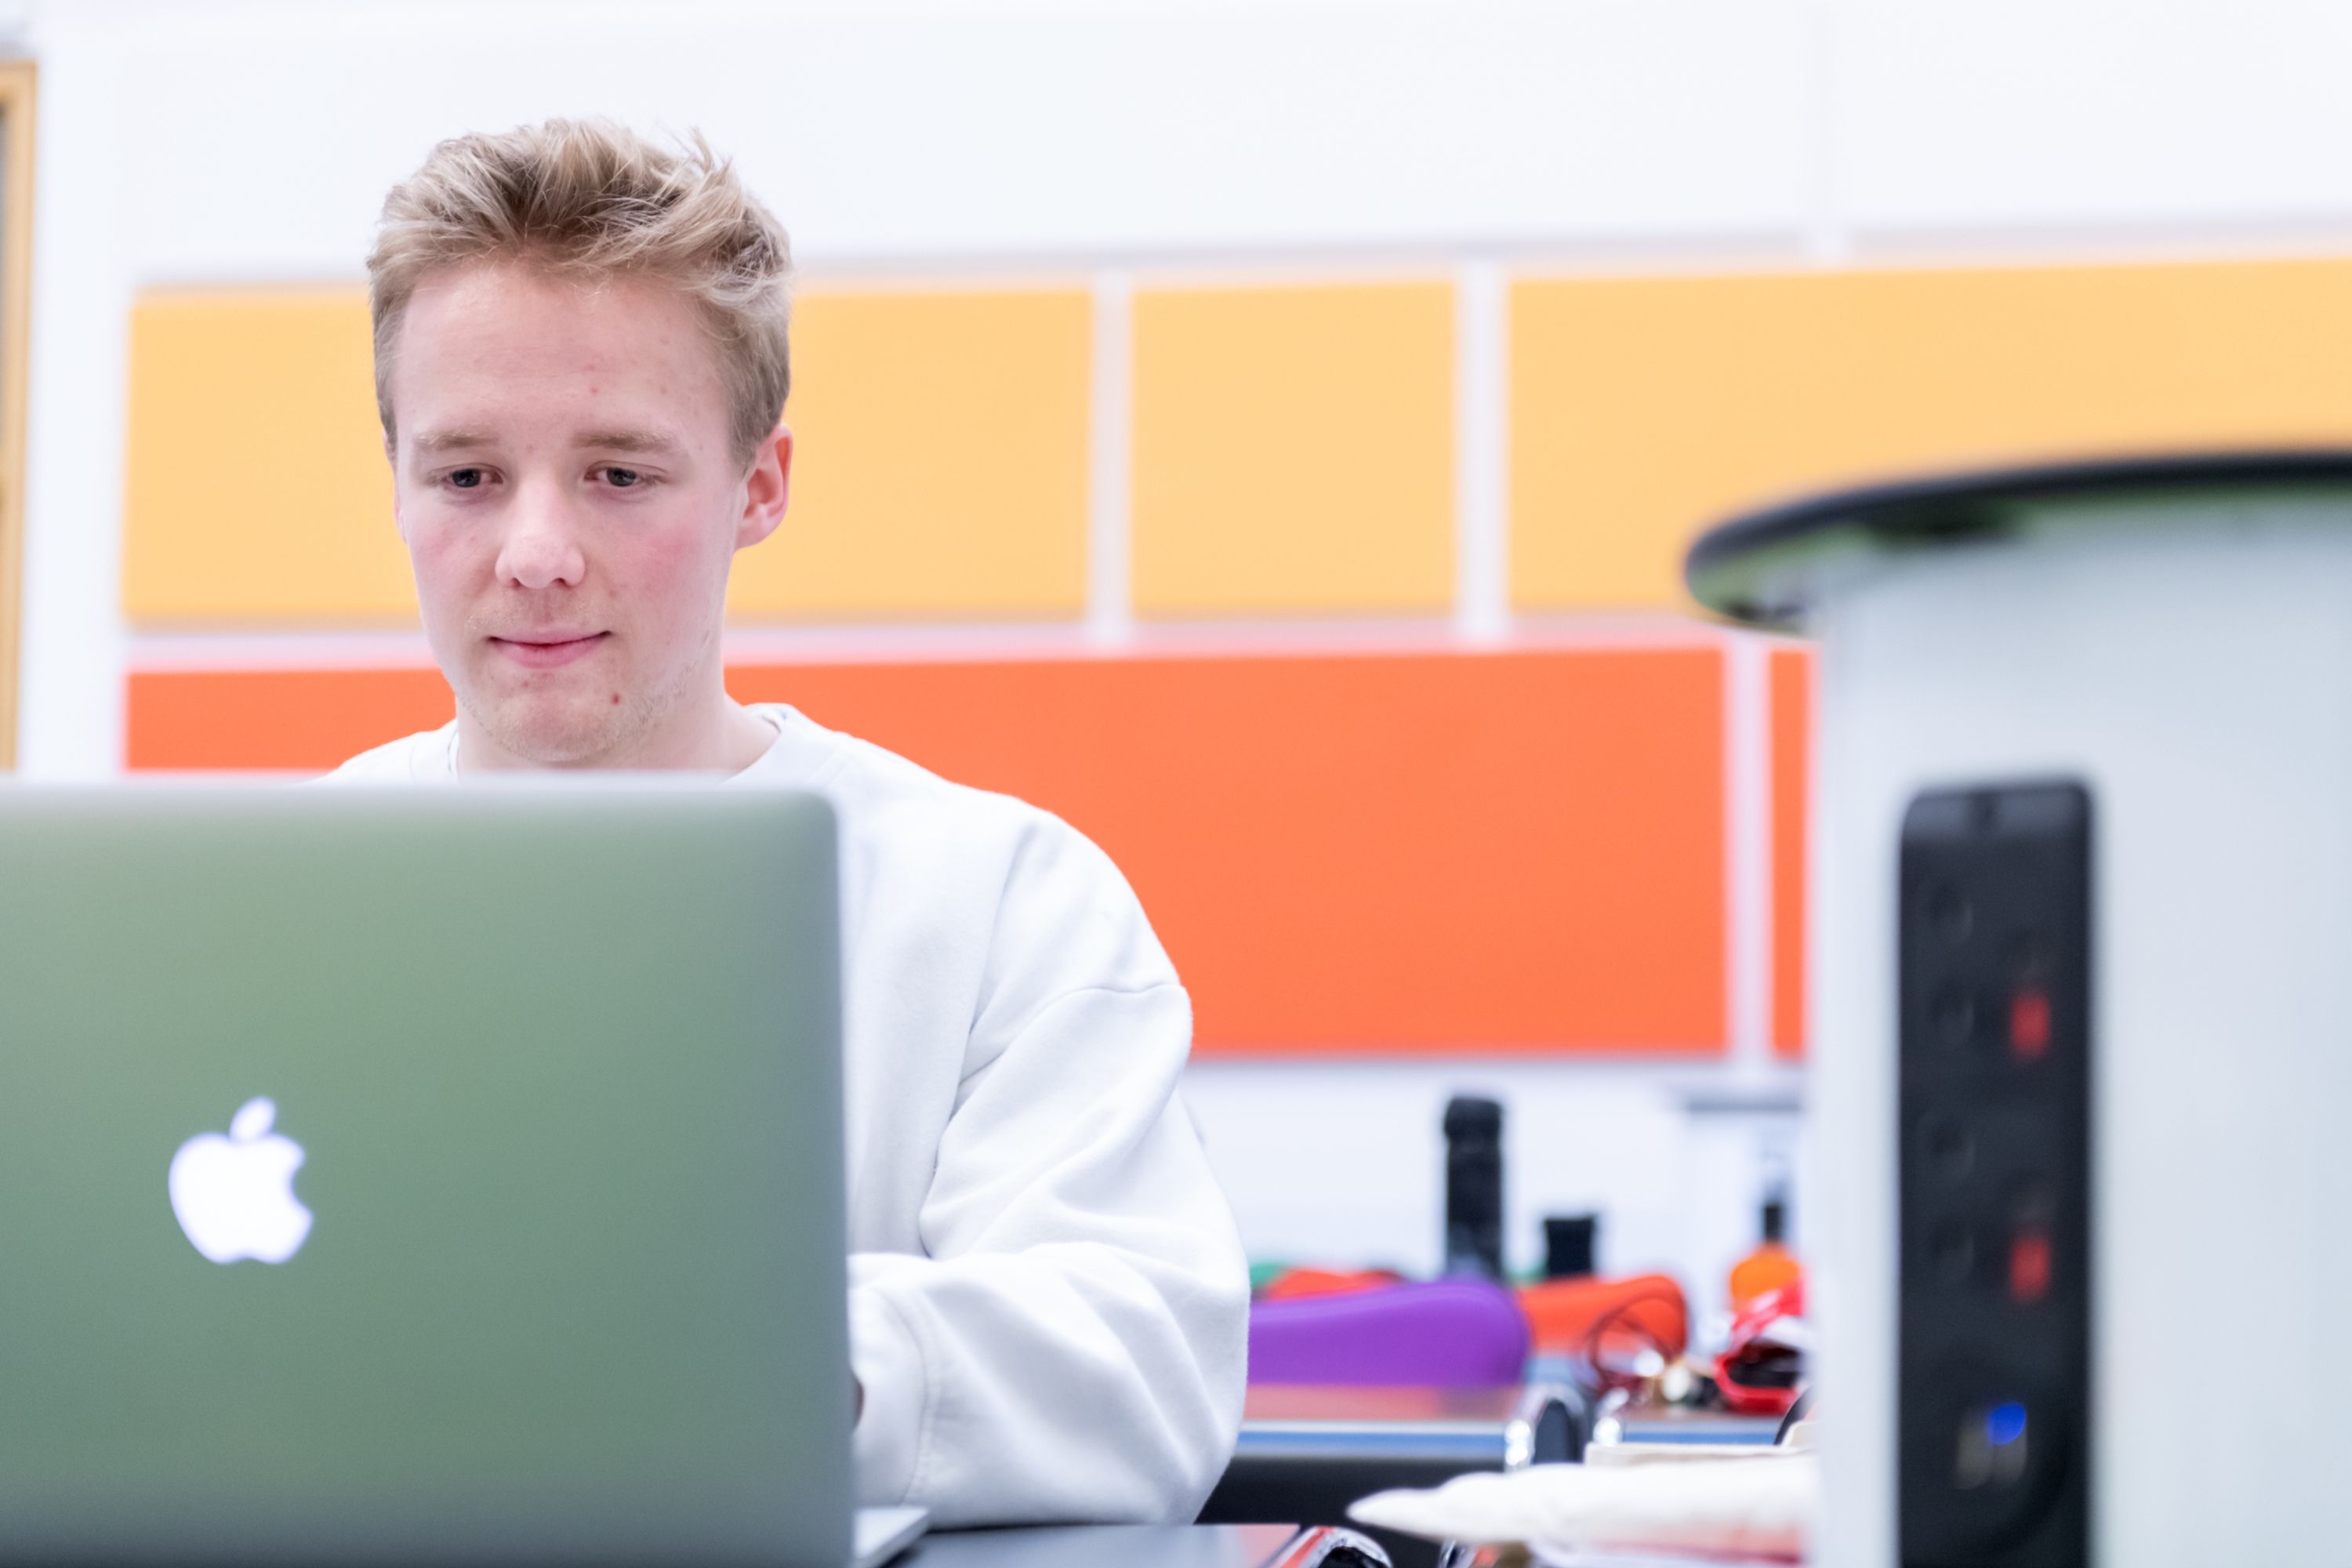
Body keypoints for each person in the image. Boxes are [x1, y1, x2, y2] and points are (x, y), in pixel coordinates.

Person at [324, 119, 1248, 1528]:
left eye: (620, 473)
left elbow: (1142, 1372)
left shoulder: (999, 900)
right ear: (396, 485)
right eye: (464, 476)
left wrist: (740, 1364)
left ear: (759, 488)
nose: (534, 553)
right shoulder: (272, 905)